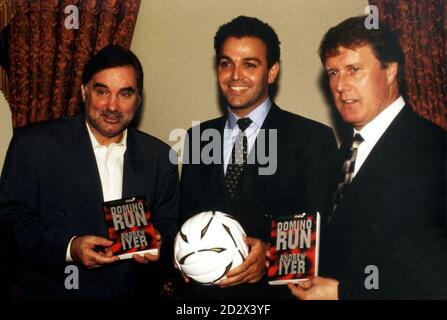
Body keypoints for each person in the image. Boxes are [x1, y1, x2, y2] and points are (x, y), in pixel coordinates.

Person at [0, 45, 179, 300]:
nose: (112, 106)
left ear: (138, 99)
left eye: (125, 94)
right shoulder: (35, 143)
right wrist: (70, 247)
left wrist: (159, 238)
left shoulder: (160, 157)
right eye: (102, 91)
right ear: (84, 91)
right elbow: (9, 220)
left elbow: (169, 223)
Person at [289, 16, 447, 300]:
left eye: (353, 69)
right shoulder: (339, 156)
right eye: (333, 72)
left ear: (390, 71)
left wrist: (345, 292)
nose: (340, 84)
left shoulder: (434, 150)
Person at [179, 16, 337, 299]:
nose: (235, 75)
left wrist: (270, 256)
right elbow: (186, 220)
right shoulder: (197, 137)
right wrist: (180, 253)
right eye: (226, 63)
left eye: (250, 64)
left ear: (272, 72)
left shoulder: (312, 139)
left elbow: (322, 233)